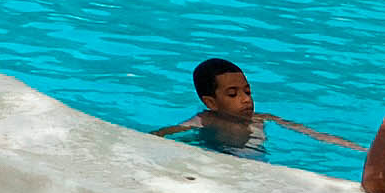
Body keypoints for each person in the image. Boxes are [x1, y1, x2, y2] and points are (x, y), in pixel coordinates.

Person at [154, 58, 361, 153]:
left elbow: (312, 134)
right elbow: (167, 133)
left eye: (248, 91)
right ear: (210, 102)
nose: (245, 99)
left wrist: (358, 149)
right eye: (233, 94)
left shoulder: (262, 119)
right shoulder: (205, 120)